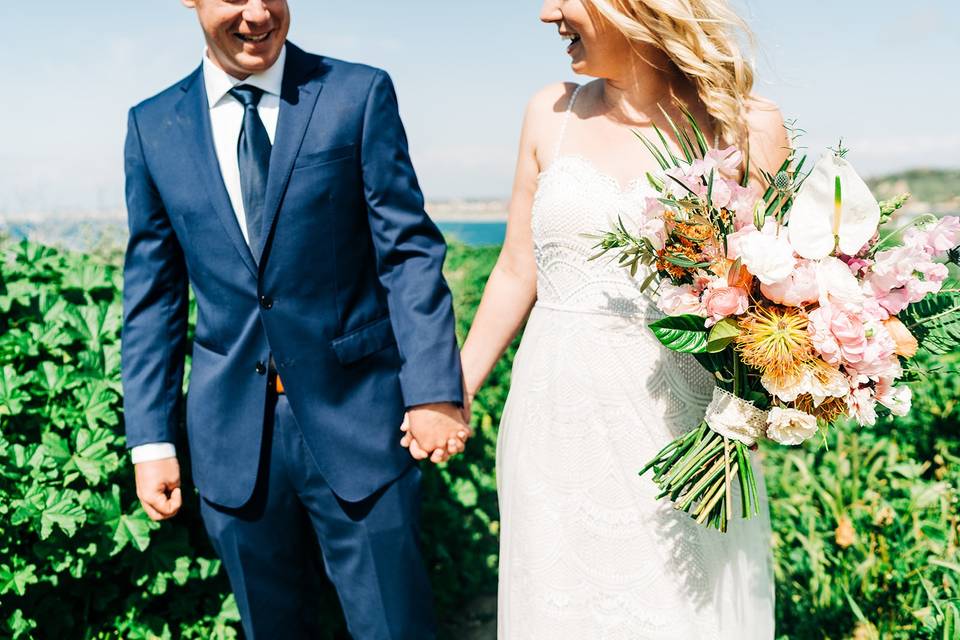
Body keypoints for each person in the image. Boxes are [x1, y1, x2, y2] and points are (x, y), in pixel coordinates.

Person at [121, 1, 470, 637]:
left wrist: (433, 391)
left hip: (363, 424)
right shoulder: (152, 127)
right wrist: (152, 440)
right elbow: (153, 296)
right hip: (231, 443)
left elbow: (409, 253)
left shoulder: (357, 94)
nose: (258, 14)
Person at [459, 0, 786, 636]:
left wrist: (755, 407)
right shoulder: (549, 112)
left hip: (683, 431)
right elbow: (515, 270)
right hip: (554, 421)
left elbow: (778, 296)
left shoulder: (746, 124)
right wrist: (453, 391)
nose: (546, 12)